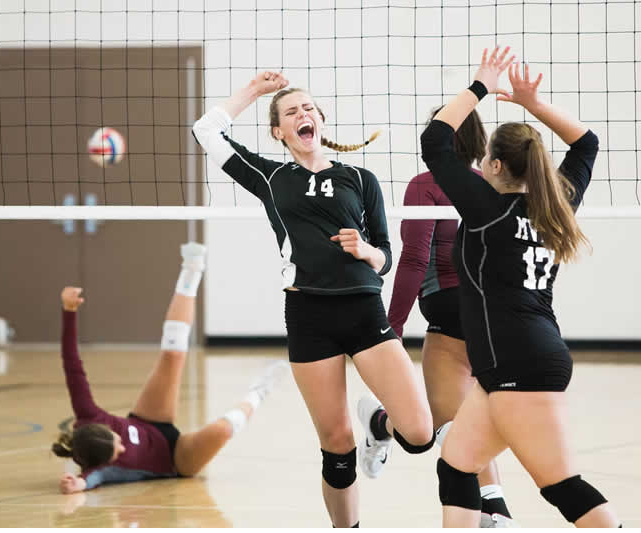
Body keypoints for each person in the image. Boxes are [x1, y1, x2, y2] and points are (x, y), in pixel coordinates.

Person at [193, 72, 434, 527]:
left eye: (308, 108)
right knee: (336, 441)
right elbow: (206, 130)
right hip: (309, 315)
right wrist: (256, 92)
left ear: (321, 121)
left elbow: (385, 256)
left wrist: (366, 251)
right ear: (278, 132)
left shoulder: (361, 179)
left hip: (363, 309)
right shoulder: (269, 176)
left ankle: (377, 425)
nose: (303, 114)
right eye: (290, 112)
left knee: (420, 434)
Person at [422, 47, 621, 527]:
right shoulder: (557, 204)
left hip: (520, 364)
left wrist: (480, 87)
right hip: (514, 361)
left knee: (561, 486)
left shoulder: (487, 209)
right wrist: (533, 105)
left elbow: (435, 142)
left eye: (487, 157)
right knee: (456, 466)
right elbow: (587, 144)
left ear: (491, 167)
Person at [52, 242, 287, 493]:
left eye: (117, 442)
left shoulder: (87, 413)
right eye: (116, 453)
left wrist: (69, 311)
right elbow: (91, 479)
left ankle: (192, 268)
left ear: (102, 428)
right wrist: (77, 484)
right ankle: (258, 393)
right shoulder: (101, 469)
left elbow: (71, 365)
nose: (122, 449)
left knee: (173, 355)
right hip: (176, 459)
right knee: (221, 430)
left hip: (149, 421)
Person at [387, 109, 515, 527]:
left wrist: (392, 328)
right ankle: (495, 507)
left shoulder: (426, 184)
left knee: (443, 425)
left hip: (448, 304)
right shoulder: (492, 187)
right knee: (467, 416)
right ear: (480, 143)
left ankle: (378, 423)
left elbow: (413, 259)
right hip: (494, 313)